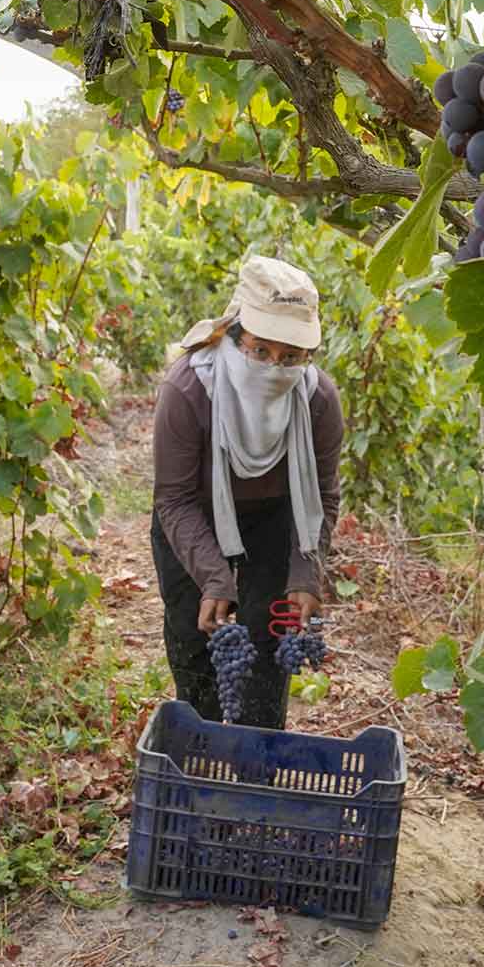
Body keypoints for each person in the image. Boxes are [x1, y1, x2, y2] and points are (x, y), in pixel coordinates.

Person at [151, 255, 345, 729]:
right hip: (194, 513)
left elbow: (322, 496)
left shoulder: (318, 400)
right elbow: (173, 500)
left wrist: (305, 573)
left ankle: (258, 757)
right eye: (261, 351)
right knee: (194, 632)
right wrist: (215, 578)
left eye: (291, 358)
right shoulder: (188, 390)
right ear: (233, 336)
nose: (275, 367)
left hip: (276, 518)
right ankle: (200, 748)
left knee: (266, 641)